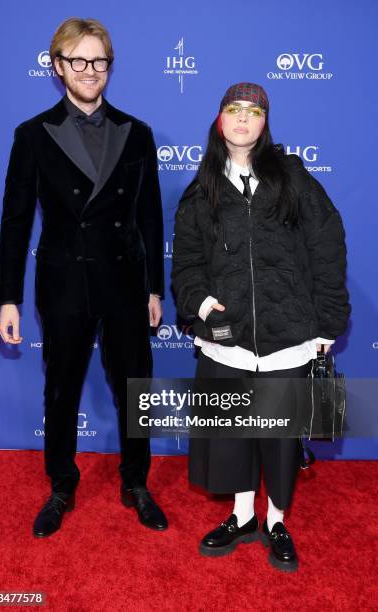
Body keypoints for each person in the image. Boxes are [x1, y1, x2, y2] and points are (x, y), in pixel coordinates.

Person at [0, 17, 168, 537]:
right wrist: (8, 299)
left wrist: (154, 287)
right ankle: (62, 485)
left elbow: (150, 216)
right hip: (64, 282)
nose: (90, 71)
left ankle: (137, 482)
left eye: (99, 61)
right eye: (78, 61)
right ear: (58, 67)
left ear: (109, 67)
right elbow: (15, 220)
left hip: (124, 281)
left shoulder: (137, 133)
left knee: (135, 387)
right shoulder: (32, 135)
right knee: (61, 389)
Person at [171, 82, 350, 571]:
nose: (243, 119)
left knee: (278, 439)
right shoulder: (201, 188)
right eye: (234, 110)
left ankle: (275, 520)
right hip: (227, 343)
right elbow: (186, 263)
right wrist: (201, 305)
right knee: (233, 435)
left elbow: (327, 246)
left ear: (265, 123)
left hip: (288, 340)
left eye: (254, 112)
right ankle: (242, 515)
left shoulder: (293, 179)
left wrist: (327, 319)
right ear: (219, 120)